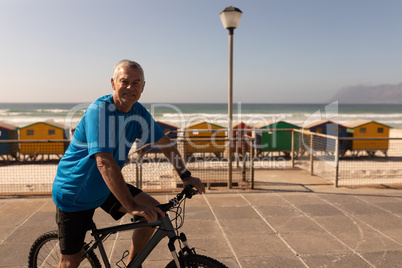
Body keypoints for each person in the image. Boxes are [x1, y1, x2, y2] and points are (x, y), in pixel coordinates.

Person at [52, 59, 205, 268]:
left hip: (105, 187)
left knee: (153, 212)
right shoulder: (100, 112)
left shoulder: (138, 112)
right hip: (74, 193)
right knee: (71, 260)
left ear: (143, 87)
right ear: (113, 83)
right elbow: (104, 163)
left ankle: (132, 265)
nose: (130, 88)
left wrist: (185, 174)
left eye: (136, 83)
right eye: (124, 81)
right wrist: (131, 206)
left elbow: (165, 144)